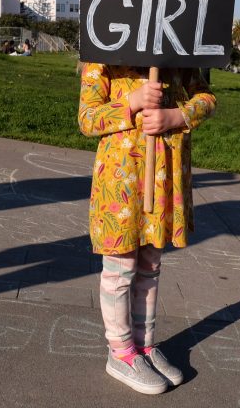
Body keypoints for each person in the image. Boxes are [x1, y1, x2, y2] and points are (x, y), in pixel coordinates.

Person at [78, 64, 215, 394]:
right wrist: (131, 102)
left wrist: (177, 117)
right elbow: (87, 119)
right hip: (121, 181)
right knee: (121, 267)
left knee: (150, 264)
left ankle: (144, 344)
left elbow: (207, 97)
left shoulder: (175, 58)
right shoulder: (103, 59)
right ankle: (121, 351)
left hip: (161, 178)